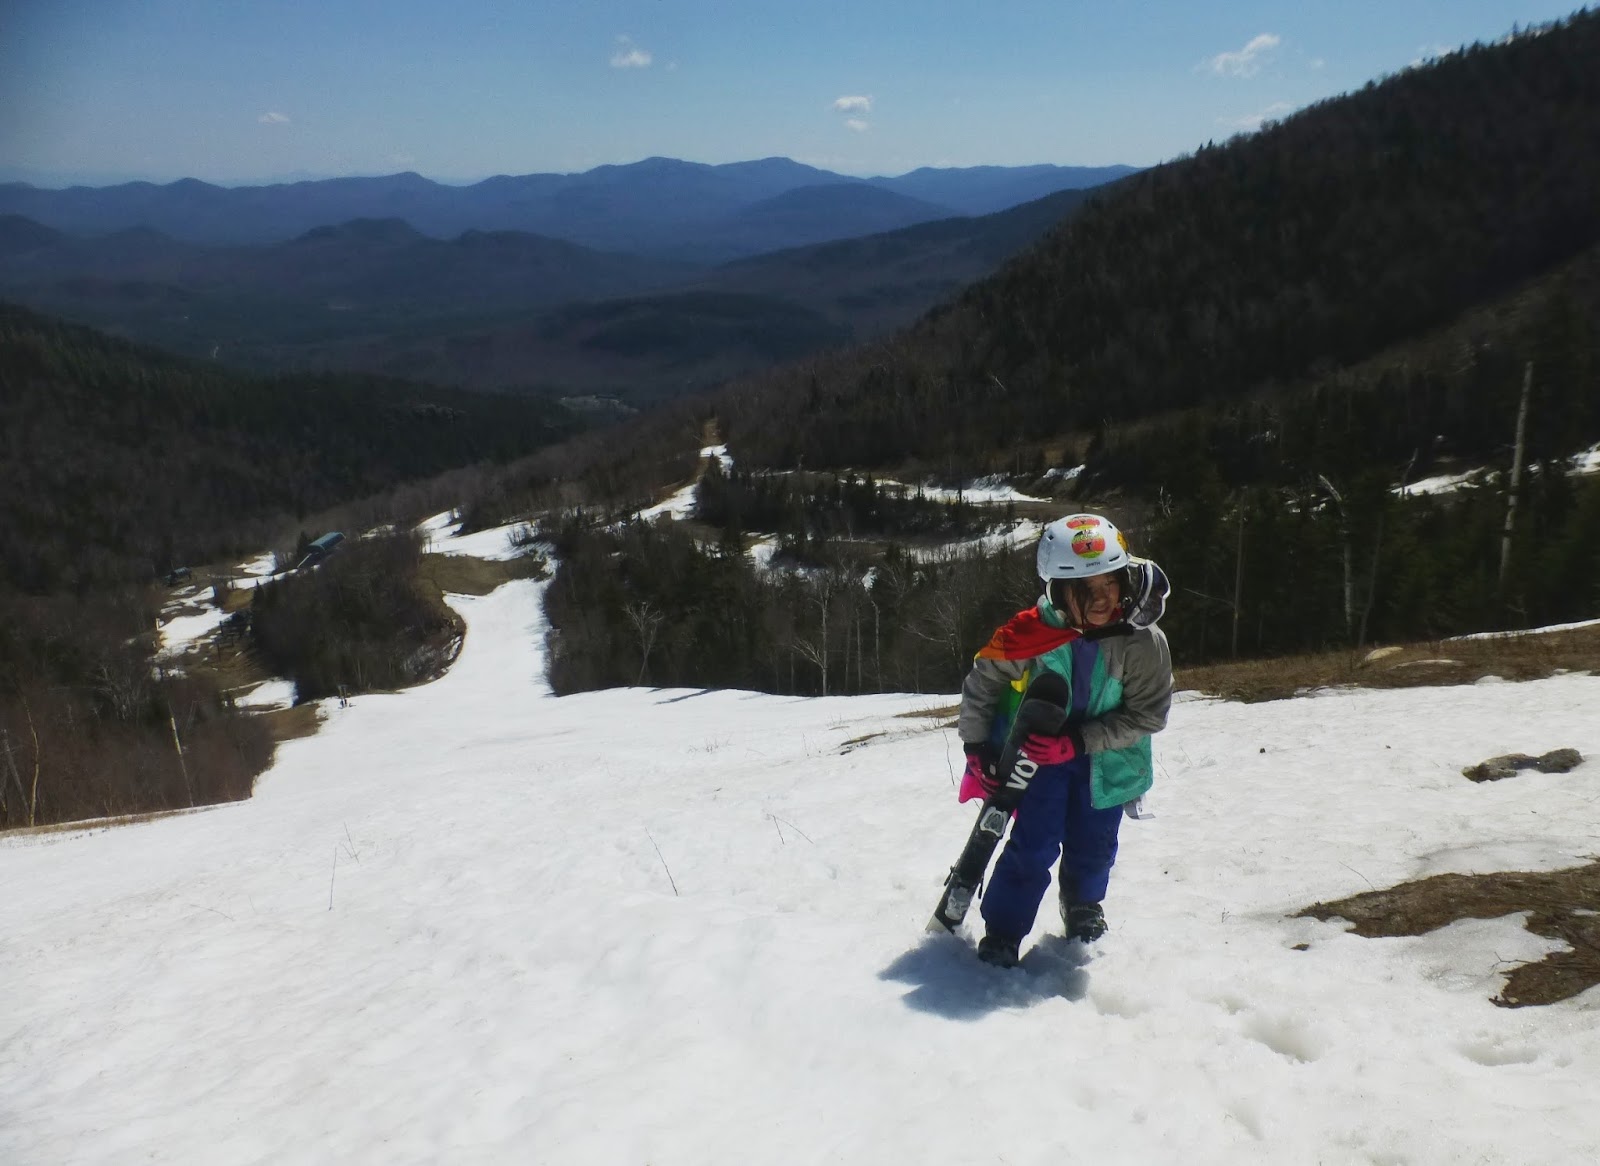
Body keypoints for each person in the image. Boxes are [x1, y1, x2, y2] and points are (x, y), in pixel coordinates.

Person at [956, 512, 1172, 967]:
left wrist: (1078, 743)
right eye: (1086, 588)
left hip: (1109, 760)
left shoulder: (1141, 640)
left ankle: (1083, 906)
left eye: (1110, 582)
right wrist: (977, 747)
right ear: (1058, 590)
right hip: (1039, 763)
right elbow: (984, 683)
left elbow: (1148, 714)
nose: (1103, 598)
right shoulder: (1030, 633)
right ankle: (1004, 930)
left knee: (1095, 845)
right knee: (1032, 845)